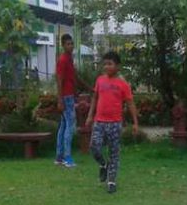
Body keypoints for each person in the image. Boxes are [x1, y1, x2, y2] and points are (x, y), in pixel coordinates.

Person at [84, 51, 138, 194]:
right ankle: (103, 164)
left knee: (114, 153)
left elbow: (130, 103)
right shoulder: (100, 80)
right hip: (99, 122)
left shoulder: (123, 84)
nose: (107, 67)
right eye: (105, 64)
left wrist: (135, 122)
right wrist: (90, 116)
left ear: (117, 66)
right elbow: (95, 98)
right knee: (94, 147)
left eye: (110, 64)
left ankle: (112, 181)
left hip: (115, 123)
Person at [55, 33, 85, 168]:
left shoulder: (69, 59)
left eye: (72, 44)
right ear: (63, 45)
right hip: (66, 97)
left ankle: (59, 156)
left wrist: (88, 88)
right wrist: (60, 100)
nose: (71, 46)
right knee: (70, 126)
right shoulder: (62, 60)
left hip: (70, 95)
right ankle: (67, 157)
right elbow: (59, 80)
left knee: (63, 126)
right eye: (68, 44)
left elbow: (74, 77)